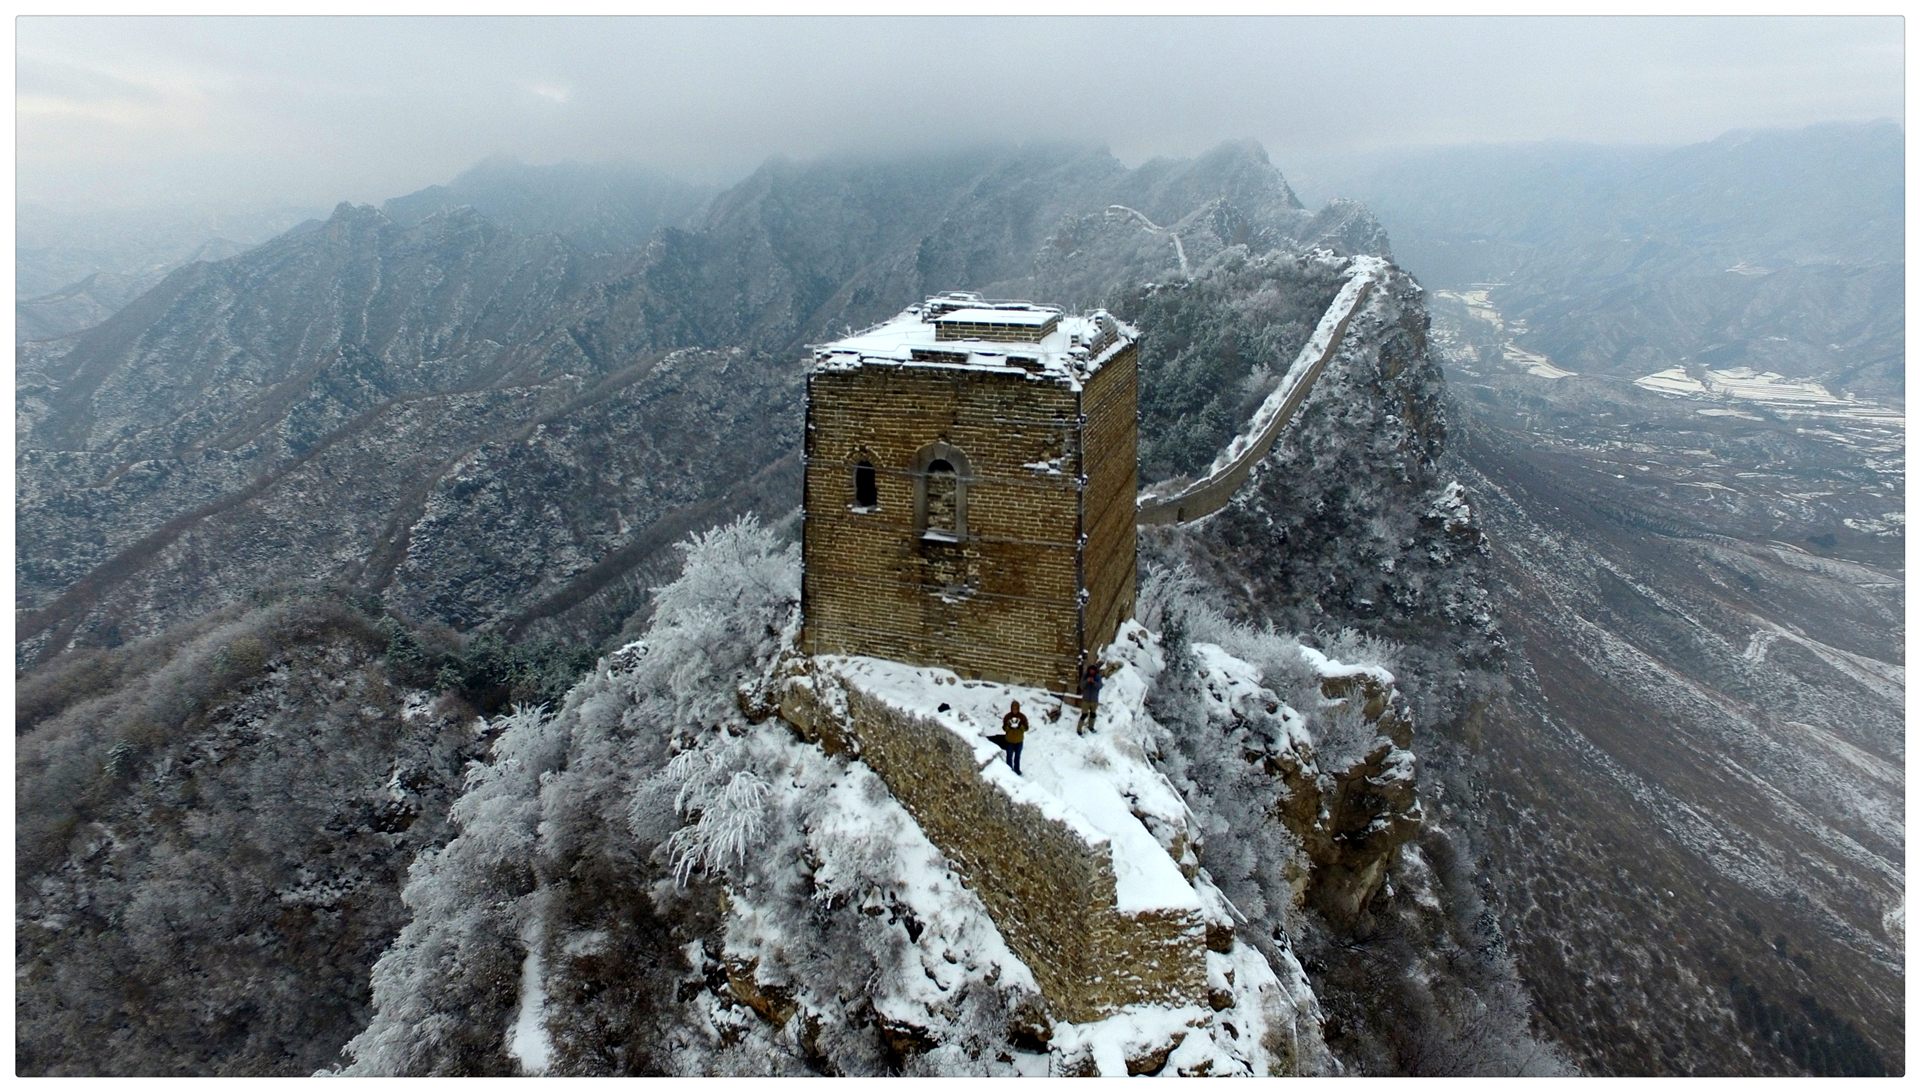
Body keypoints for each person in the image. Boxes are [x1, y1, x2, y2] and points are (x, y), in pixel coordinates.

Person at [995, 701, 1029, 774]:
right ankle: (1009, 771)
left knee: (1017, 756)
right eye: (1013, 709)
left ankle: (1017, 769)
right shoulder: (1007, 717)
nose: (1015, 711)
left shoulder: (1022, 717)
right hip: (1009, 741)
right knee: (1009, 756)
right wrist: (1009, 726)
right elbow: (1004, 728)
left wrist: (1020, 726)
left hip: (1019, 741)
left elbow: (1026, 728)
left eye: (1016, 709)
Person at [1078, 663, 1103, 734]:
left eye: (1093, 671)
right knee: (1084, 714)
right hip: (1086, 700)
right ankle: (1079, 729)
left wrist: (1094, 682)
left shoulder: (1098, 678)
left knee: (1093, 714)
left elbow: (1100, 686)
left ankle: (1091, 727)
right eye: (1091, 670)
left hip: (1094, 700)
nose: (1092, 672)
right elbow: (1081, 685)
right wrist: (1087, 681)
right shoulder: (1085, 676)